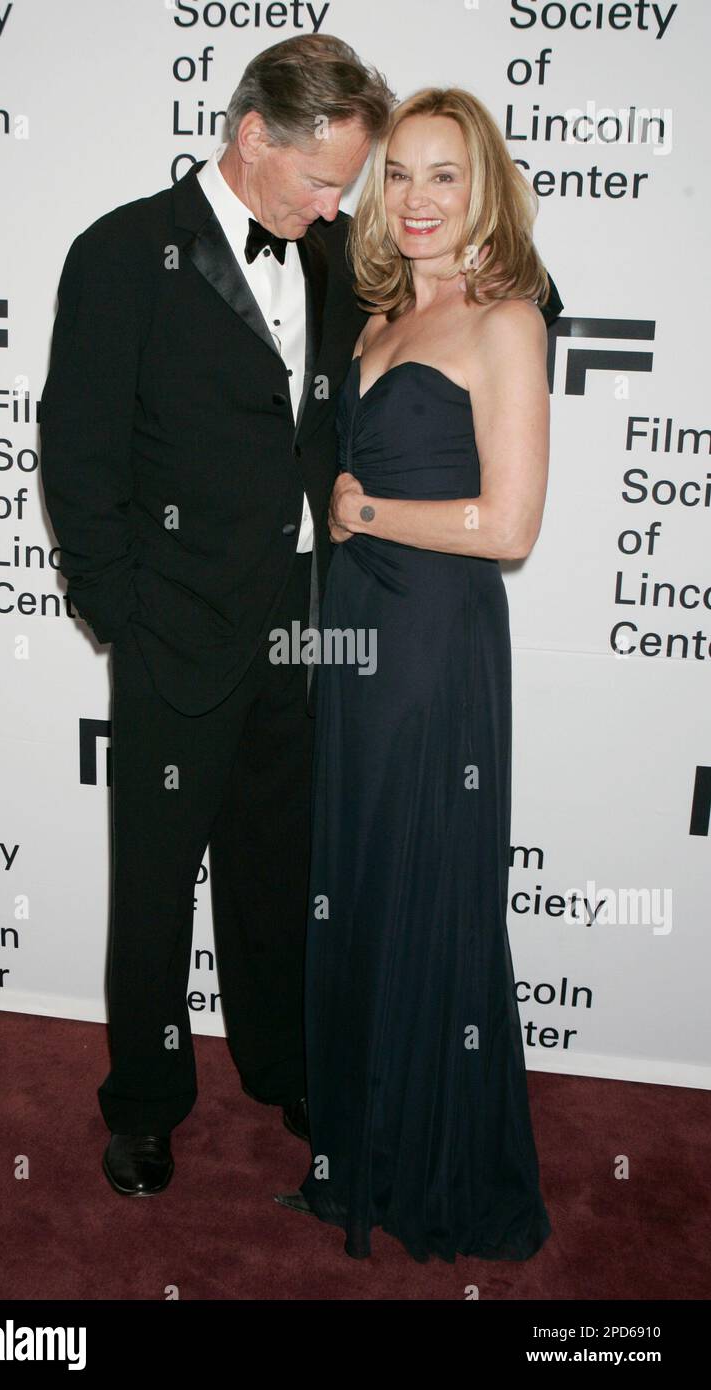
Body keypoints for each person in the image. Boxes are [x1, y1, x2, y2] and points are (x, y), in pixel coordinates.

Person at [39, 34, 395, 1196]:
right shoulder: (121, 251)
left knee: (277, 870)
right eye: (318, 179)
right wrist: (120, 619)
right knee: (153, 882)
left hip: (300, 628)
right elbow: (78, 456)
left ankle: (282, 1063)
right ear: (253, 138)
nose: (334, 202)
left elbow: (484, 290)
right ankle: (143, 1101)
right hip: (173, 632)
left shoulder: (337, 251)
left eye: (344, 182)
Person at [275, 87, 560, 1261]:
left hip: (434, 643)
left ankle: (435, 1161)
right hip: (352, 637)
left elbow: (509, 527)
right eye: (398, 175)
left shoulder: (507, 319)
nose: (416, 198)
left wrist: (366, 507)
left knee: (422, 884)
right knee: (357, 874)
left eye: (443, 174)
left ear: (482, 185)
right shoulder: (377, 316)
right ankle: (360, 1148)